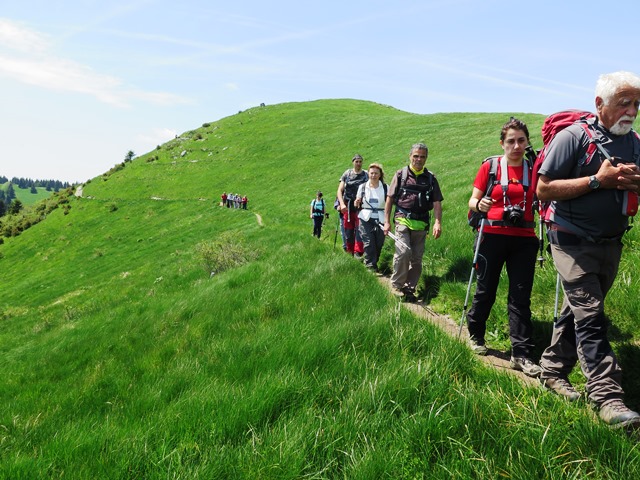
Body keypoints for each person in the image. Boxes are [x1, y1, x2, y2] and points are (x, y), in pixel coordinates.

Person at [537, 71, 640, 427]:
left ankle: (551, 371)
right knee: (592, 316)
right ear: (600, 104)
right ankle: (607, 397)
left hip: (611, 243)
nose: (632, 110)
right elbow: (544, 189)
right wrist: (599, 180)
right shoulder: (572, 138)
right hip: (569, 239)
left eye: (637, 103)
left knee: (577, 312)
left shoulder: (635, 142)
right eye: (624, 102)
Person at [466, 118, 541, 378]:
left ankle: (521, 353)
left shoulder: (534, 169)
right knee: (486, 289)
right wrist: (480, 206)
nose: (517, 146)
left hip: (524, 239)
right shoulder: (490, 166)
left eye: (521, 140)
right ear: (502, 143)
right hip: (491, 236)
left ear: (527, 142)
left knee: (520, 296)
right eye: (511, 141)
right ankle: (476, 334)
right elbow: (473, 200)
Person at [383, 143, 443, 302]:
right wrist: (386, 221)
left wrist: (437, 222)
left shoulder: (431, 178)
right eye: (416, 156)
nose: (419, 159)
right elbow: (389, 198)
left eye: (422, 156)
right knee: (403, 252)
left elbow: (437, 202)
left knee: (416, 258)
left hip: (421, 223)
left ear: (426, 158)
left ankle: (409, 288)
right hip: (402, 219)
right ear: (410, 156)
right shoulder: (400, 175)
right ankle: (396, 285)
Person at [354, 163, 387, 273]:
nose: (373, 175)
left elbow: (390, 203)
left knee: (379, 242)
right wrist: (356, 202)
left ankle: (373, 262)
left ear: (380, 174)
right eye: (371, 173)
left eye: (376, 173)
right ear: (368, 174)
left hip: (381, 218)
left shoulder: (386, 187)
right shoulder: (362, 187)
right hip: (365, 218)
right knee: (368, 242)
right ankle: (370, 266)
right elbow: (357, 203)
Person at [337, 154, 369, 257]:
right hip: (348, 206)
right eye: (357, 161)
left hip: (361, 206)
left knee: (360, 229)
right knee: (348, 230)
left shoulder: (366, 174)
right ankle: (349, 251)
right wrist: (341, 204)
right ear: (353, 162)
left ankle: (358, 252)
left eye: (360, 161)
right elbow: (340, 190)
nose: (358, 163)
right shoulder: (347, 174)